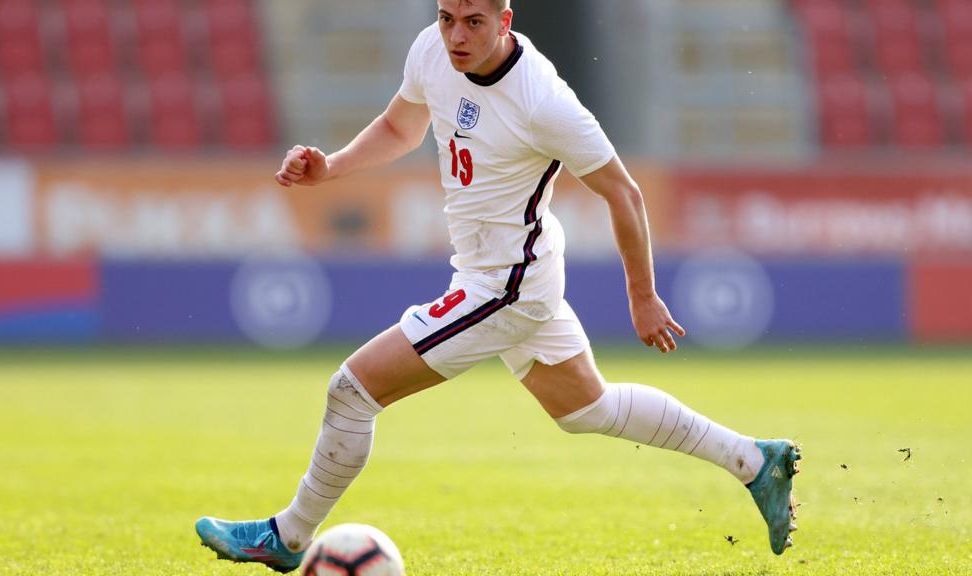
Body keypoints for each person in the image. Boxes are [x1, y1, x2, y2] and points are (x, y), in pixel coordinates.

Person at [195, 0, 801, 571]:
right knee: (587, 409)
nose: (456, 35)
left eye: (474, 22)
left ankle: (289, 536)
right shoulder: (432, 50)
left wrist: (642, 295)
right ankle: (753, 460)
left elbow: (624, 192)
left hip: (506, 285)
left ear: (505, 20)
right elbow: (400, 127)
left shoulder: (543, 100)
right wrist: (330, 167)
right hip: (508, 270)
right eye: (446, 17)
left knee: (351, 392)